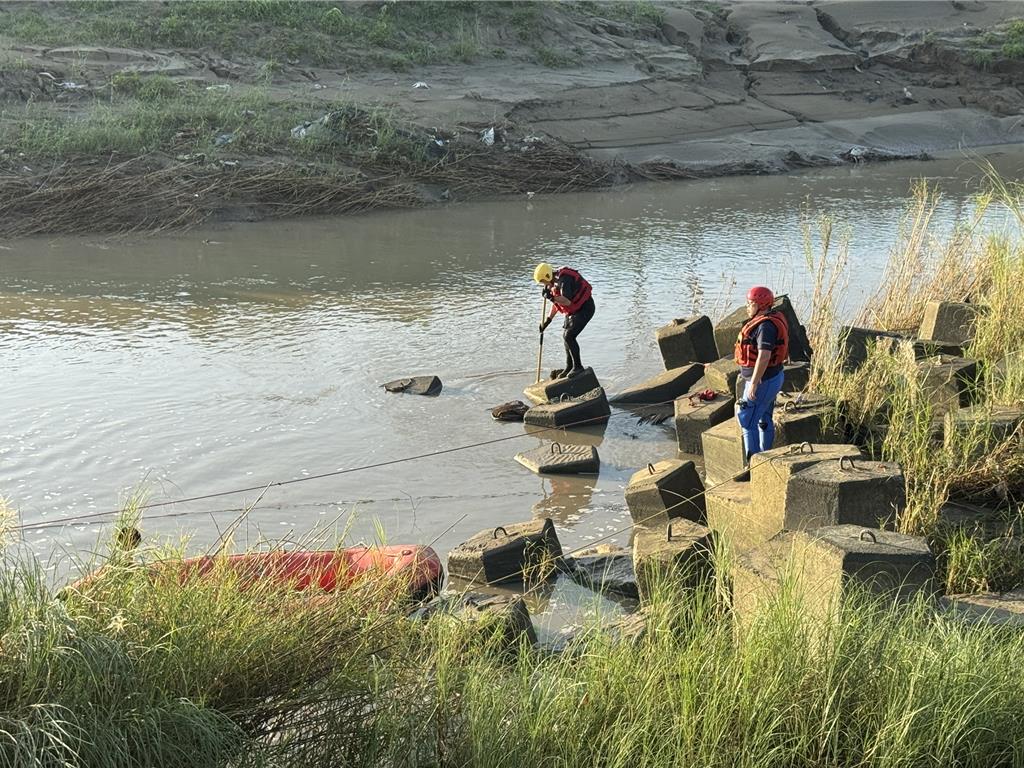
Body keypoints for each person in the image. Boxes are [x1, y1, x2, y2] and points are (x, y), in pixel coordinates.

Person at [734, 285, 789, 462]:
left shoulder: (765, 326)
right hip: (773, 378)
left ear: (760, 305)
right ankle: (766, 457)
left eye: (750, 303)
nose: (747, 307)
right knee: (764, 419)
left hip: (763, 381)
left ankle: (753, 466)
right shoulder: (770, 320)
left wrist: (755, 383)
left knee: (747, 420)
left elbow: (764, 356)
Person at [533, 262, 595, 378]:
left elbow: (567, 301)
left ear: (547, 276)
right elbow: (557, 304)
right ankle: (569, 366)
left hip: (585, 308)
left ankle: (578, 367)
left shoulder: (564, 280)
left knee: (569, 336)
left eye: (542, 281)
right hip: (574, 311)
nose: (543, 284)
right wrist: (547, 321)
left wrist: (551, 297)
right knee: (565, 337)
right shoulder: (553, 283)